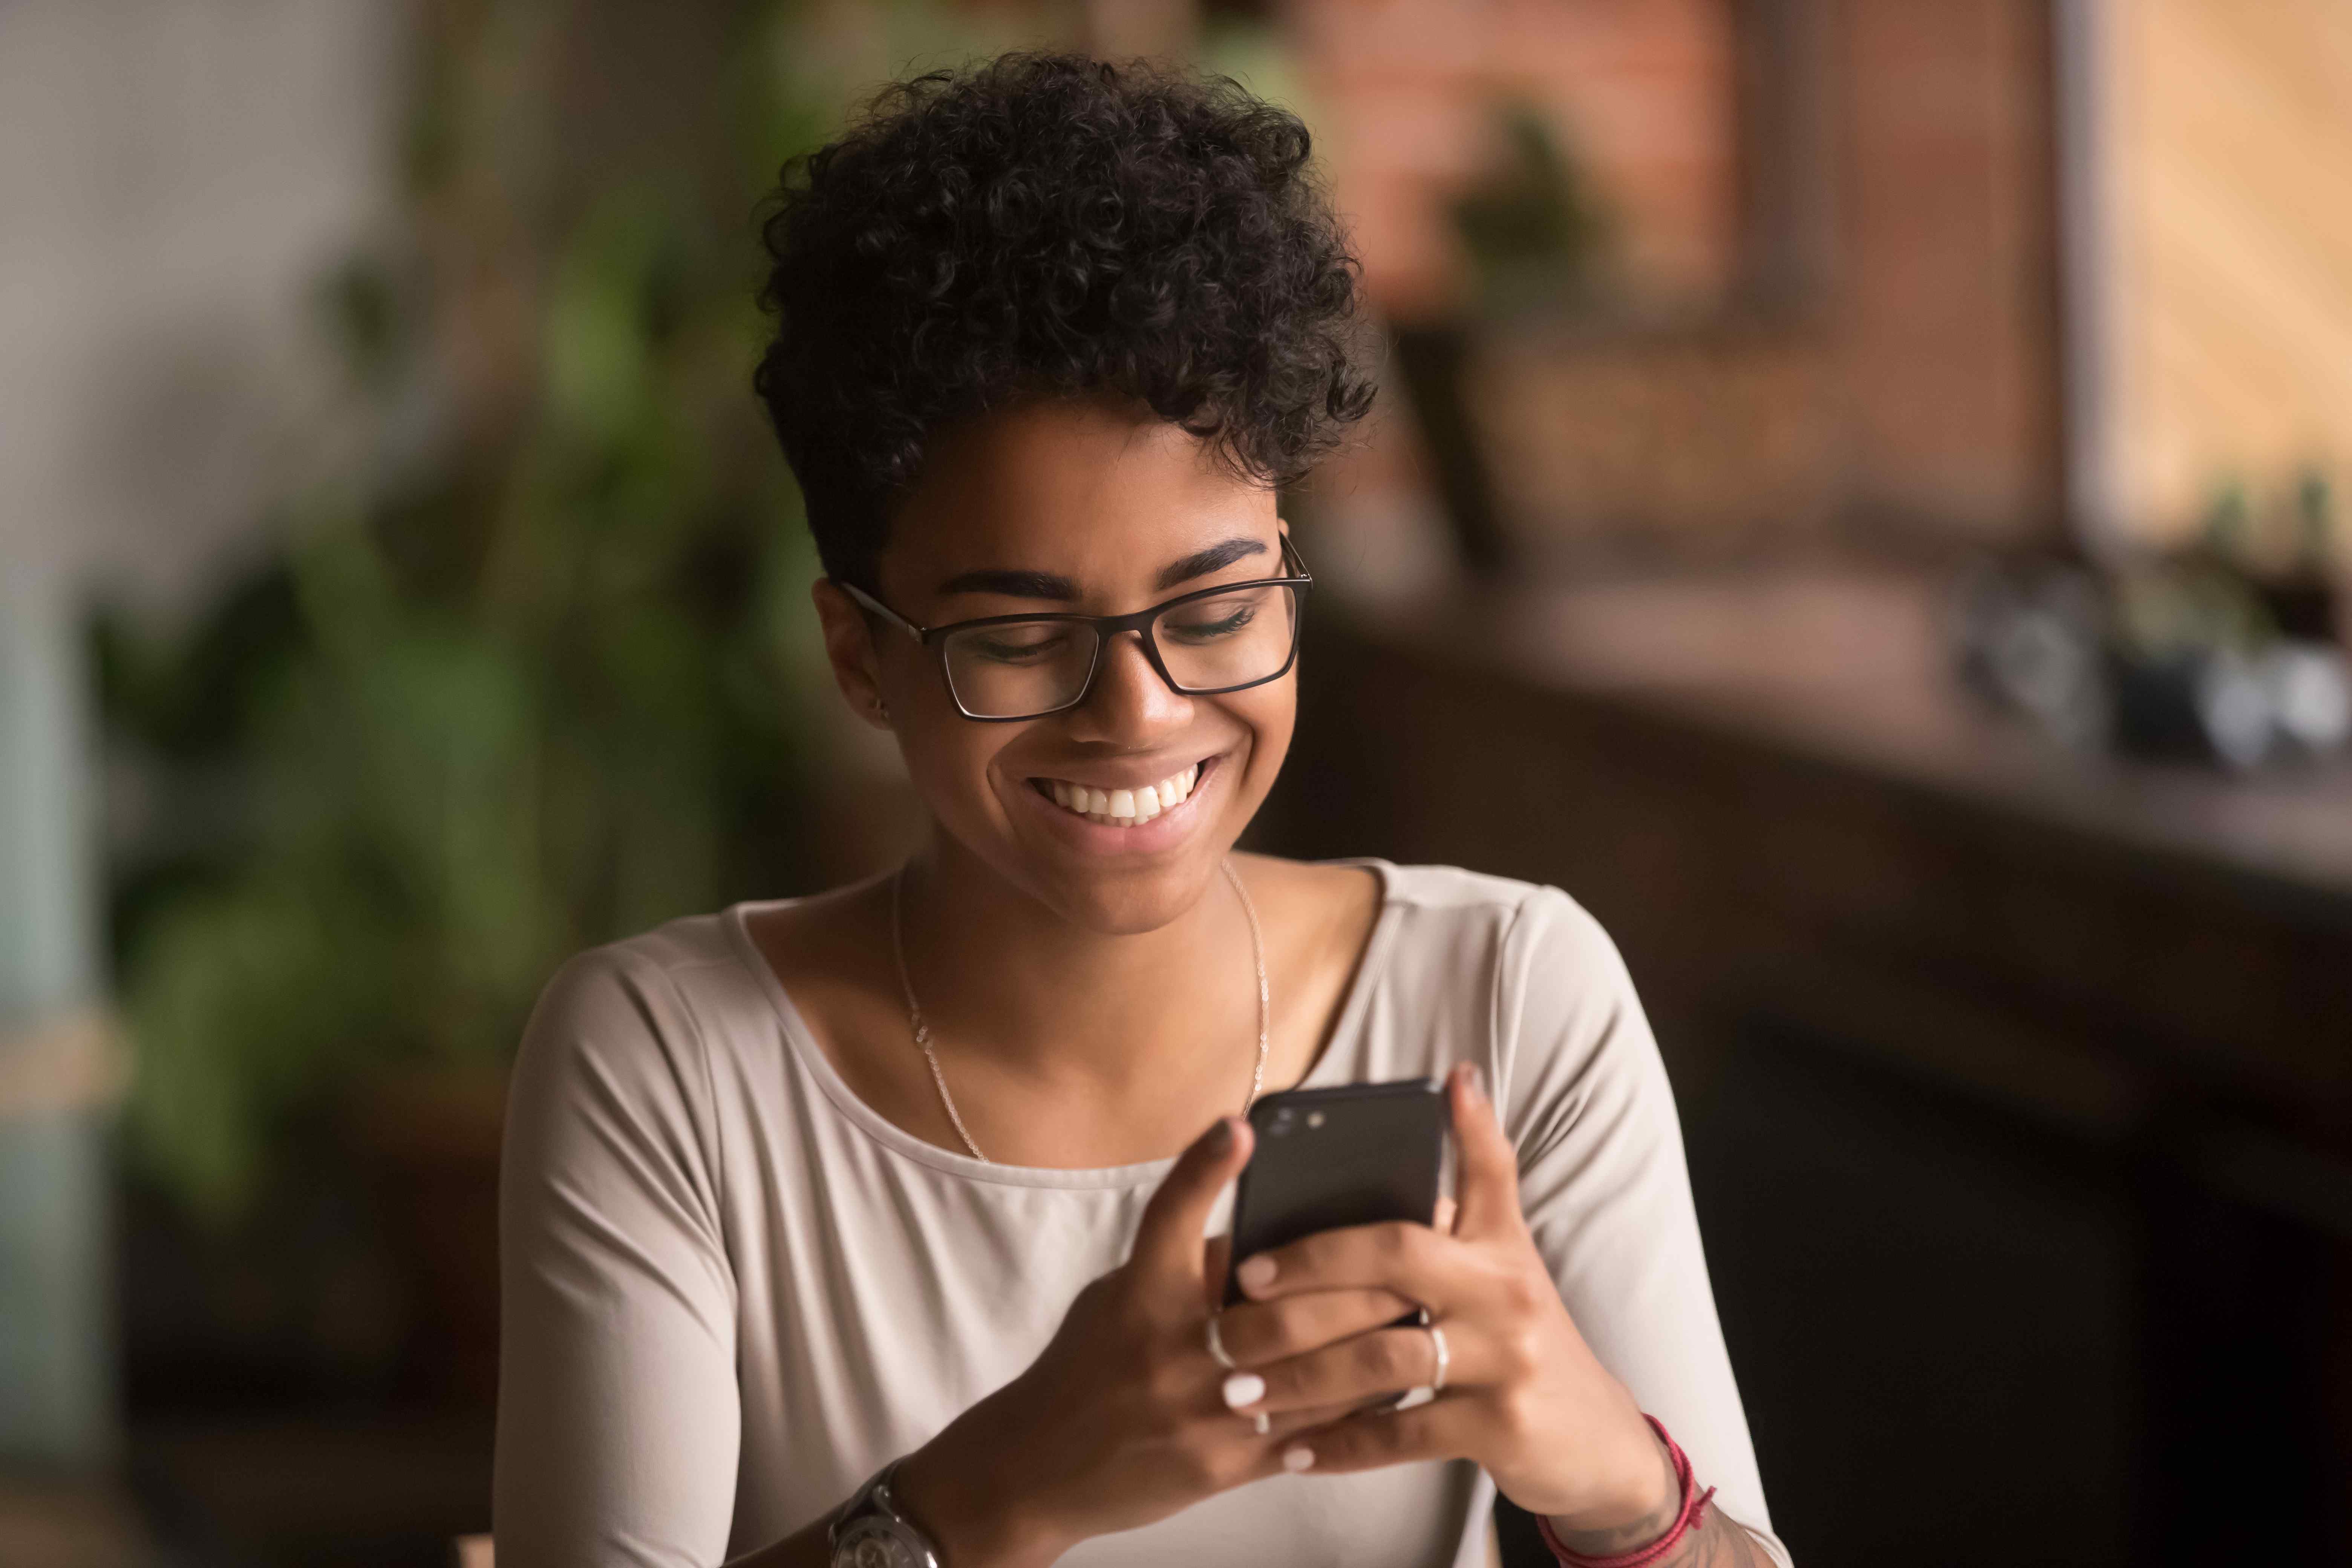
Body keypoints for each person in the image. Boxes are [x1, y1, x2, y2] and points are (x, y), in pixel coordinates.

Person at [493, 52, 1786, 1568]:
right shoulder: (672, 1071)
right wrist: (1002, 1488)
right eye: (1021, 635)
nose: (1141, 711)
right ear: (859, 652)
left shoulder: (1503, 998)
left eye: (1216, 604)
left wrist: (1610, 1472)